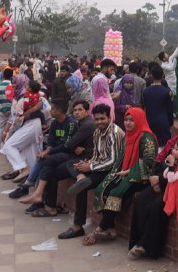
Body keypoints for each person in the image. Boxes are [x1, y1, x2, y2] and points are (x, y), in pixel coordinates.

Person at [84, 107, 158, 246]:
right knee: (103, 188)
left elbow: (149, 161)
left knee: (114, 193)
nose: (128, 123)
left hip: (141, 176)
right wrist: (115, 172)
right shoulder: (128, 136)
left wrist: (129, 171)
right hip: (125, 172)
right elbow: (121, 157)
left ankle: (100, 229)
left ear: (139, 120)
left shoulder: (146, 137)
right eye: (126, 120)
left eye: (132, 120)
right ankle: (110, 228)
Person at [58, 103, 124, 240]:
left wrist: (91, 167)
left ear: (109, 118)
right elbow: (97, 155)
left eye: (102, 119)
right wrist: (88, 163)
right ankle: (81, 225)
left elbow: (113, 161)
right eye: (97, 119)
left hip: (114, 171)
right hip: (100, 167)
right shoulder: (97, 132)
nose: (99, 122)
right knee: (73, 165)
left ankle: (80, 226)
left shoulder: (115, 133)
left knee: (85, 185)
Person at [15, 100, 94, 208]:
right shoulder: (59, 123)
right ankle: (46, 204)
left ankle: (34, 192)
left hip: (79, 158)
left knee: (48, 161)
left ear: (86, 112)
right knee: (49, 170)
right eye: (75, 110)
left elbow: (69, 144)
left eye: (80, 110)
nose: (77, 112)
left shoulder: (82, 124)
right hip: (70, 155)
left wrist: (51, 151)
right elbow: (52, 141)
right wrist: (48, 150)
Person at [0, 75, 44, 183]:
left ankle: (24, 169)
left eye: (15, 83)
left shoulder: (33, 97)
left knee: (8, 146)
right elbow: (14, 116)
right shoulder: (19, 97)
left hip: (32, 125)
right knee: (30, 155)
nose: (13, 85)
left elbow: (47, 110)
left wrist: (33, 111)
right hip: (28, 125)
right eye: (12, 83)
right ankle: (30, 181)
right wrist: (6, 130)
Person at [143, 65, 174, 146]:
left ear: (152, 75)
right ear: (162, 75)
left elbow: (144, 107)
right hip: (163, 122)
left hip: (149, 121)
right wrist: (170, 122)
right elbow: (170, 109)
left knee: (150, 145)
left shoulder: (145, 91)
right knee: (164, 146)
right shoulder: (167, 92)